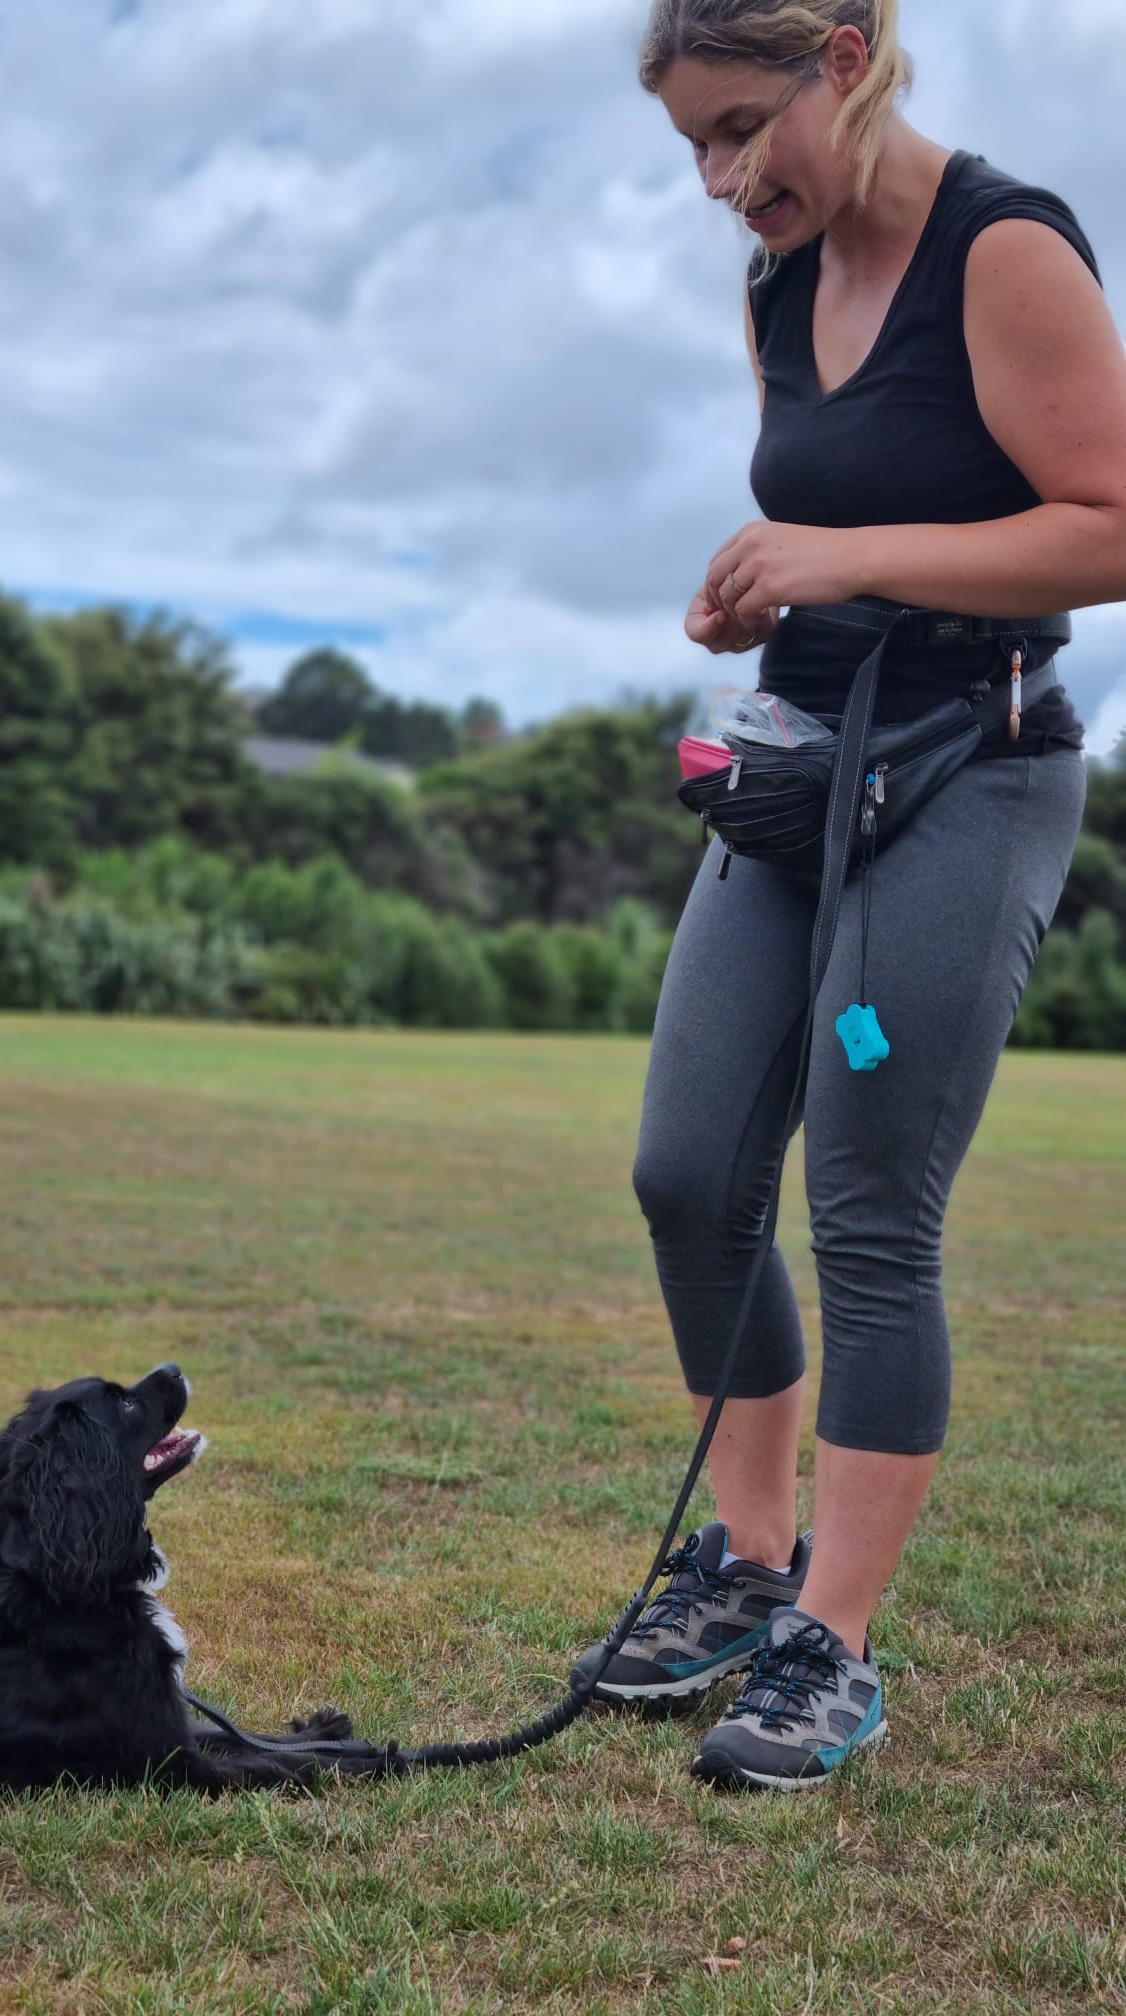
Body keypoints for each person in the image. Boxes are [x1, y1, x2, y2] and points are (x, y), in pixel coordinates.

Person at [571, 0, 1126, 1792]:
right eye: (694, 151)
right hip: (809, 762)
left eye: (745, 128)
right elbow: (824, 516)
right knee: (685, 1173)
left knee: (872, 1203)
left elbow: (1112, 520)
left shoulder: (1007, 243)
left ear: (847, 54)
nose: (728, 181)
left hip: (981, 767)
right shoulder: (770, 290)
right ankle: (740, 1566)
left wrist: (852, 553)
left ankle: (835, 1639)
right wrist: (756, 597)